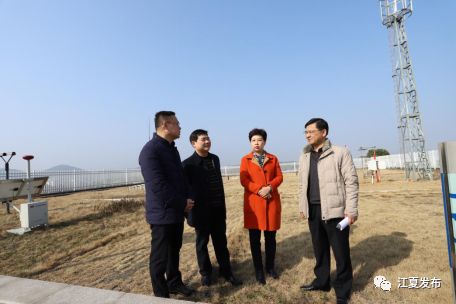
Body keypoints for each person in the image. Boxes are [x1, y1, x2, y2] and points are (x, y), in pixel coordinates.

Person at [298, 118, 359, 304]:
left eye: (311, 131)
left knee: (341, 253)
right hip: (314, 211)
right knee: (320, 250)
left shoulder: (340, 152)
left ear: (323, 132)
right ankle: (322, 281)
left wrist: (351, 209)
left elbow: (351, 182)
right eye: (305, 132)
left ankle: (342, 291)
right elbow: (302, 184)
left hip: (336, 212)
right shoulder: (305, 155)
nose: (307, 135)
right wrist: (302, 206)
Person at [138, 111, 195, 298]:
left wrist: (187, 199)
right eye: (177, 123)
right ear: (165, 125)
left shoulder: (172, 148)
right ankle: (161, 295)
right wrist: (181, 203)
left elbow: (180, 178)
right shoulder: (150, 151)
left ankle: (174, 283)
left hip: (176, 212)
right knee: (159, 258)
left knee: (174, 252)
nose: (180, 127)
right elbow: (158, 186)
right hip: (161, 214)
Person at [182, 129, 242, 287]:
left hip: (217, 210)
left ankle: (226, 271)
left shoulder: (215, 159)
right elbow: (185, 191)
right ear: (194, 143)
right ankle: (206, 273)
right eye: (203, 139)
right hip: (201, 213)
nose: (207, 141)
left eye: (208, 138)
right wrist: (189, 214)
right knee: (202, 244)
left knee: (221, 242)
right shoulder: (187, 164)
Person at [240, 128, 283, 285]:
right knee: (254, 239)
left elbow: (279, 176)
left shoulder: (273, 158)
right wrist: (259, 190)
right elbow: (244, 180)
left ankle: (270, 267)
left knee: (271, 238)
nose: (256, 143)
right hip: (255, 203)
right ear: (250, 142)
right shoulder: (245, 159)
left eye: (259, 140)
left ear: (264, 141)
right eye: (253, 140)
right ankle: (258, 270)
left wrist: (269, 187)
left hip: (271, 201)